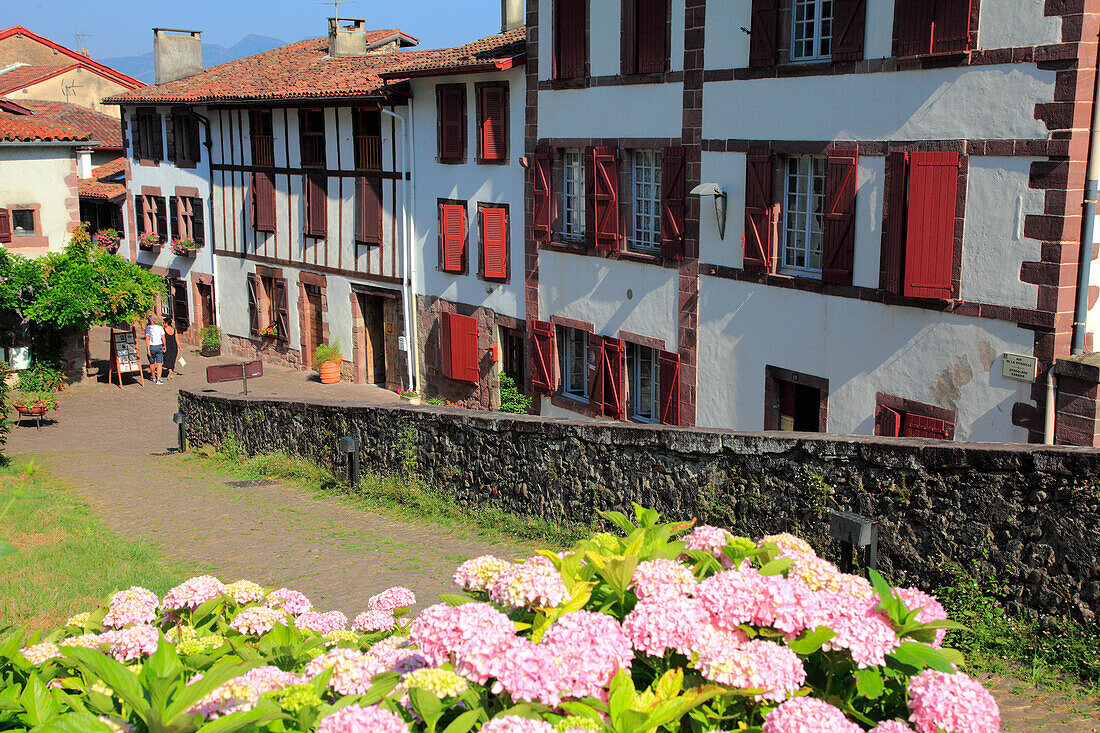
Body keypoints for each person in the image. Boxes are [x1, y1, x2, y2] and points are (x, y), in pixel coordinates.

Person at [145, 316, 166, 385]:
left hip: (151, 346)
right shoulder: (160, 327)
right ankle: (158, 379)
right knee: (159, 363)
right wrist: (164, 345)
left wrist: (148, 350)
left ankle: (153, 377)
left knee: (152, 363)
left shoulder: (148, 328)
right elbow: (163, 337)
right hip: (159, 346)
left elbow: (147, 339)